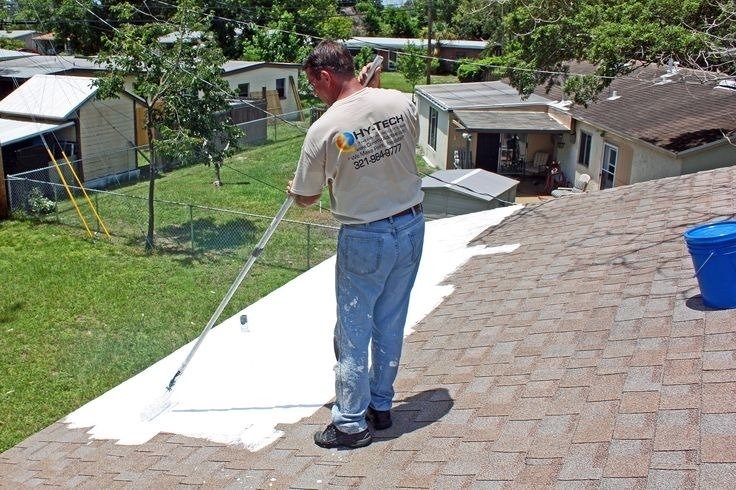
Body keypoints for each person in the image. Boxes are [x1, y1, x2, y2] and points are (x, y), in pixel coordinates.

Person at [287, 40, 424, 449]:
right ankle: (380, 405)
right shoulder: (400, 101)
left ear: (325, 76)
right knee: (390, 321)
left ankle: (350, 423)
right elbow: (397, 145)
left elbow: (307, 197)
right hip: (411, 225)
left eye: (313, 84)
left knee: (353, 330)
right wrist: (374, 94)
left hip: (366, 236)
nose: (315, 92)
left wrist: (295, 190)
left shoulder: (324, 129)